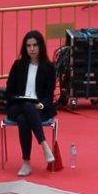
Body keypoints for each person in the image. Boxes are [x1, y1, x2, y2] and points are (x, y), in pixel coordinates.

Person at [4, 30, 58, 177]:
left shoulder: (49, 68)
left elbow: (49, 94)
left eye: (35, 45)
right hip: (17, 106)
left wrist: (41, 105)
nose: (32, 49)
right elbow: (9, 92)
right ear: (25, 48)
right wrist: (20, 99)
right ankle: (45, 146)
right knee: (26, 106)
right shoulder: (17, 65)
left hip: (38, 109)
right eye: (28, 46)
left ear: (41, 46)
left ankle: (26, 163)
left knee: (24, 119)